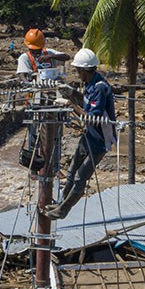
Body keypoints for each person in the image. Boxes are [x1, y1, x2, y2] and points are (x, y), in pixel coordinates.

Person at [44, 48, 116, 220]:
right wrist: (72, 92)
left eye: (78, 71)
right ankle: (60, 203)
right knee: (71, 172)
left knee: (79, 177)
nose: (77, 74)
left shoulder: (100, 88)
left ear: (84, 70)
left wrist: (71, 105)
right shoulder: (91, 84)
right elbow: (86, 101)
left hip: (99, 141)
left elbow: (93, 117)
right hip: (89, 136)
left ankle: (63, 210)